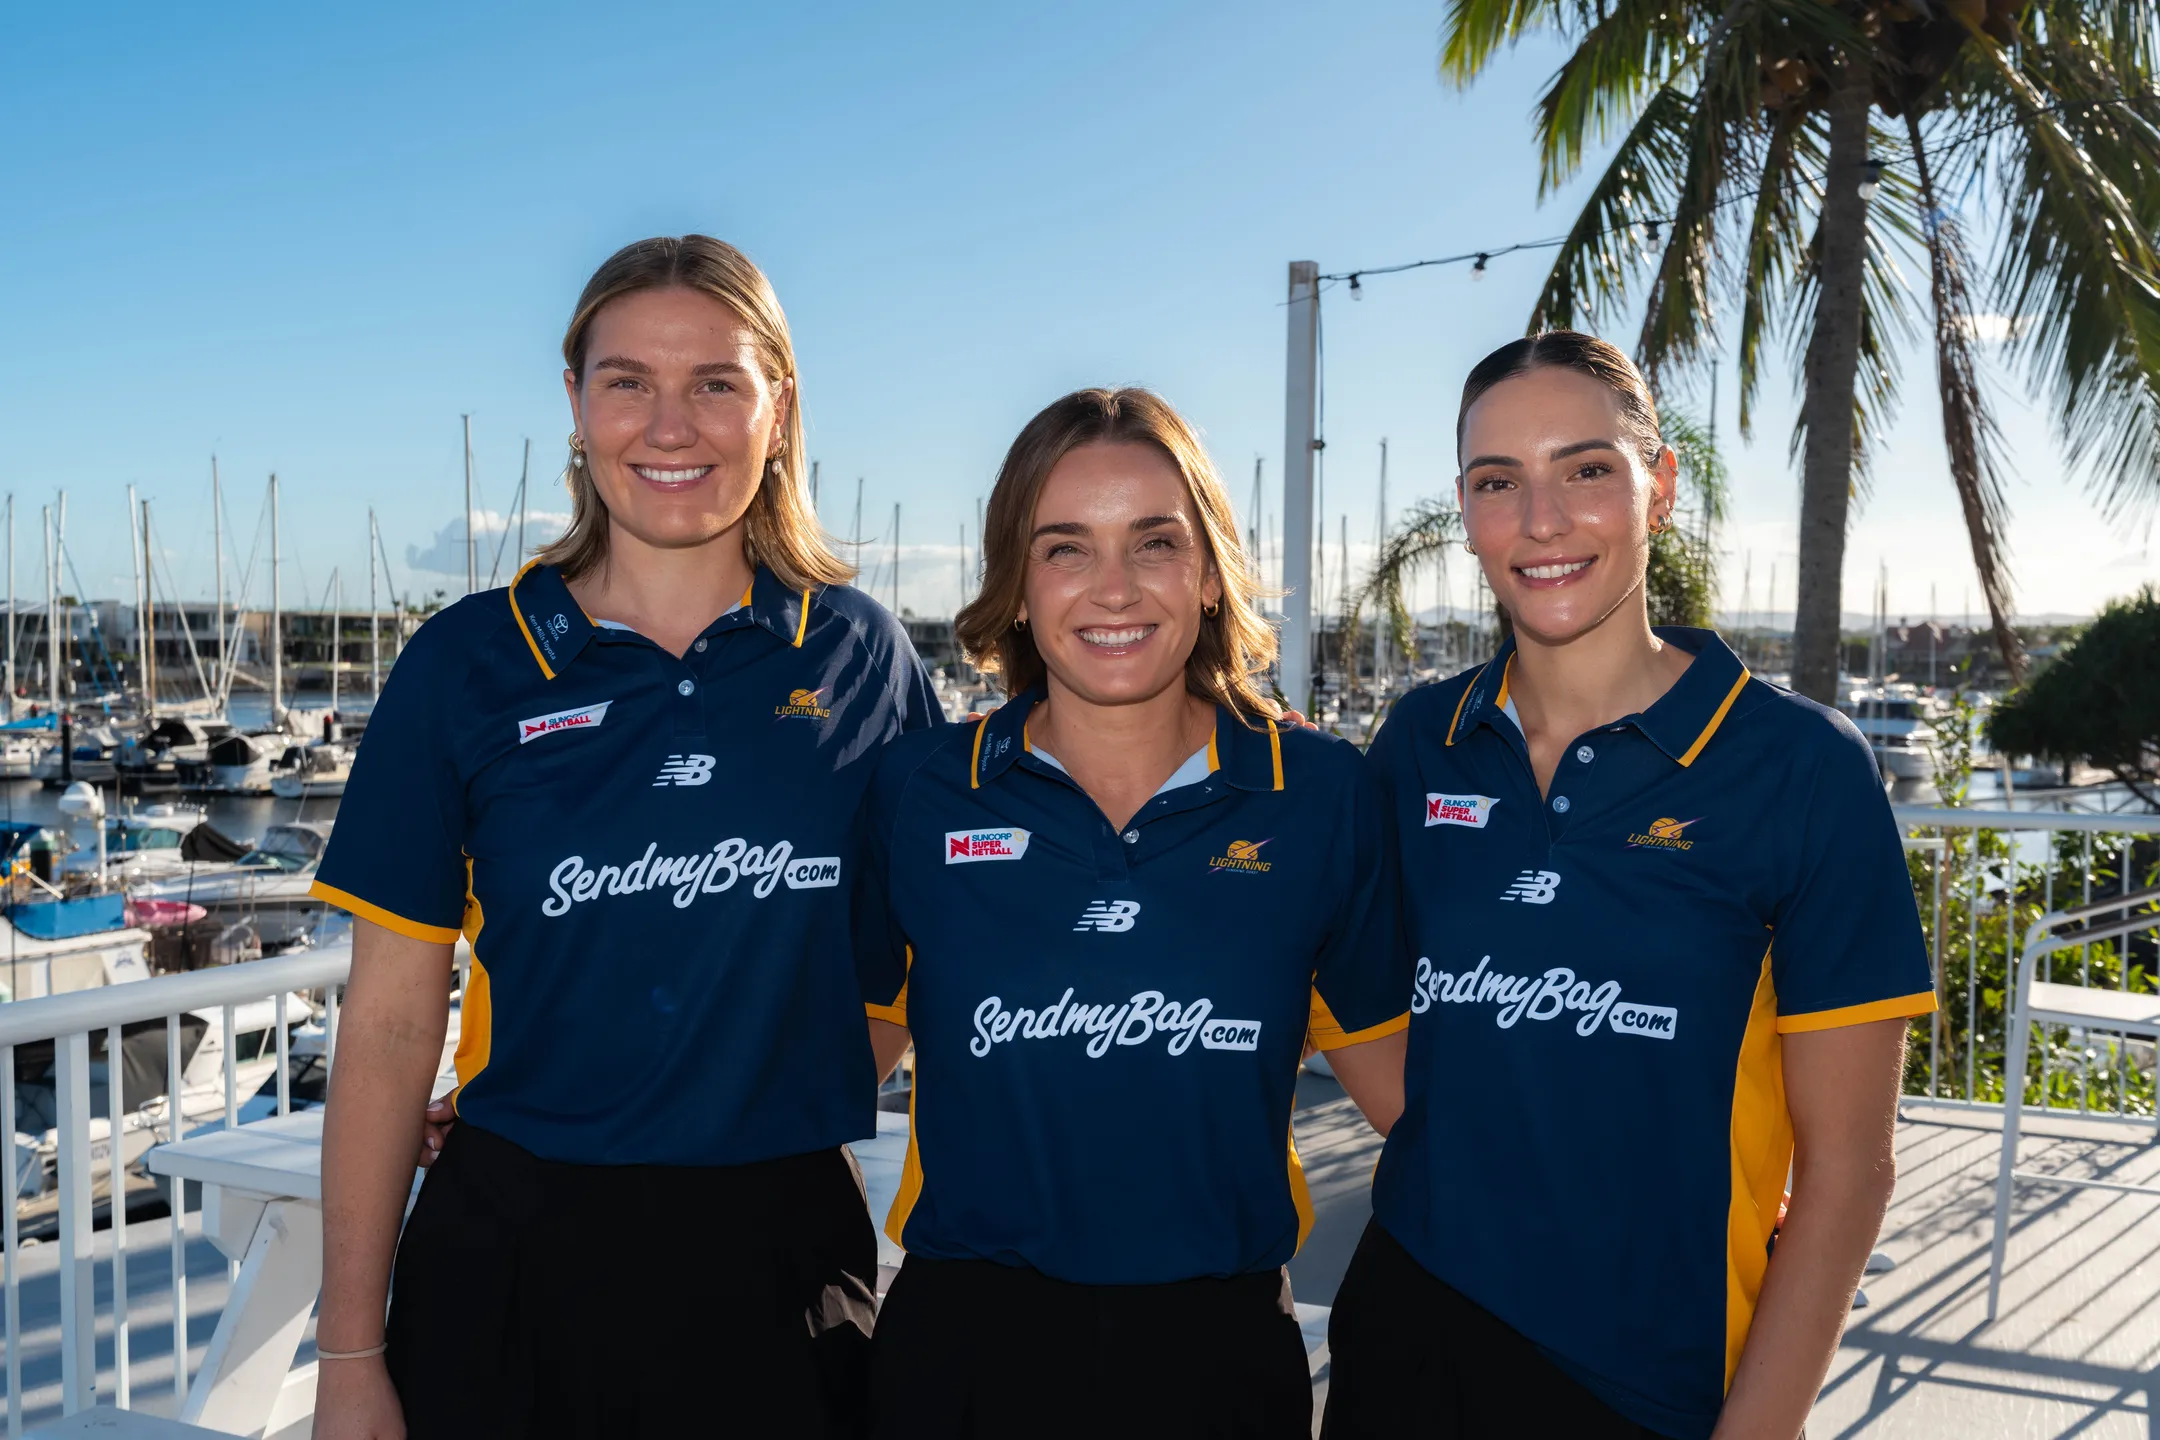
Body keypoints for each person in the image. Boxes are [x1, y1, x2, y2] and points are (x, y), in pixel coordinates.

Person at [311, 235, 942, 1440]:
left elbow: (918, 958)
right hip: (512, 1257)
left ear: (778, 407)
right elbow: (387, 1025)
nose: (669, 426)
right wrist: (349, 1354)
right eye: (627, 381)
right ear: (574, 402)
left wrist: (735, 1092)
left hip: (781, 1261)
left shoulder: (861, 656)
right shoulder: (464, 663)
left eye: (715, 382)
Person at [1323, 332, 1936, 1440]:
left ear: (1659, 487)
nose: (1542, 520)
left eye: (1587, 469)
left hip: (1649, 1381)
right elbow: (1361, 1003)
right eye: (1498, 482)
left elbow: (1850, 1172)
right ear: (1465, 511)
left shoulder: (1800, 768)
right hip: (1408, 1327)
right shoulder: (1420, 740)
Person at [853, 388, 1409, 1439]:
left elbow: (1415, 1109)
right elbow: (822, 1070)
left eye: (1156, 542)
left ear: (1210, 573)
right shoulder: (920, 791)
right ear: (1017, 585)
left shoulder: (1321, 796)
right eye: (1066, 548)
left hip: (1218, 1359)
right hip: (964, 1354)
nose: (1114, 588)